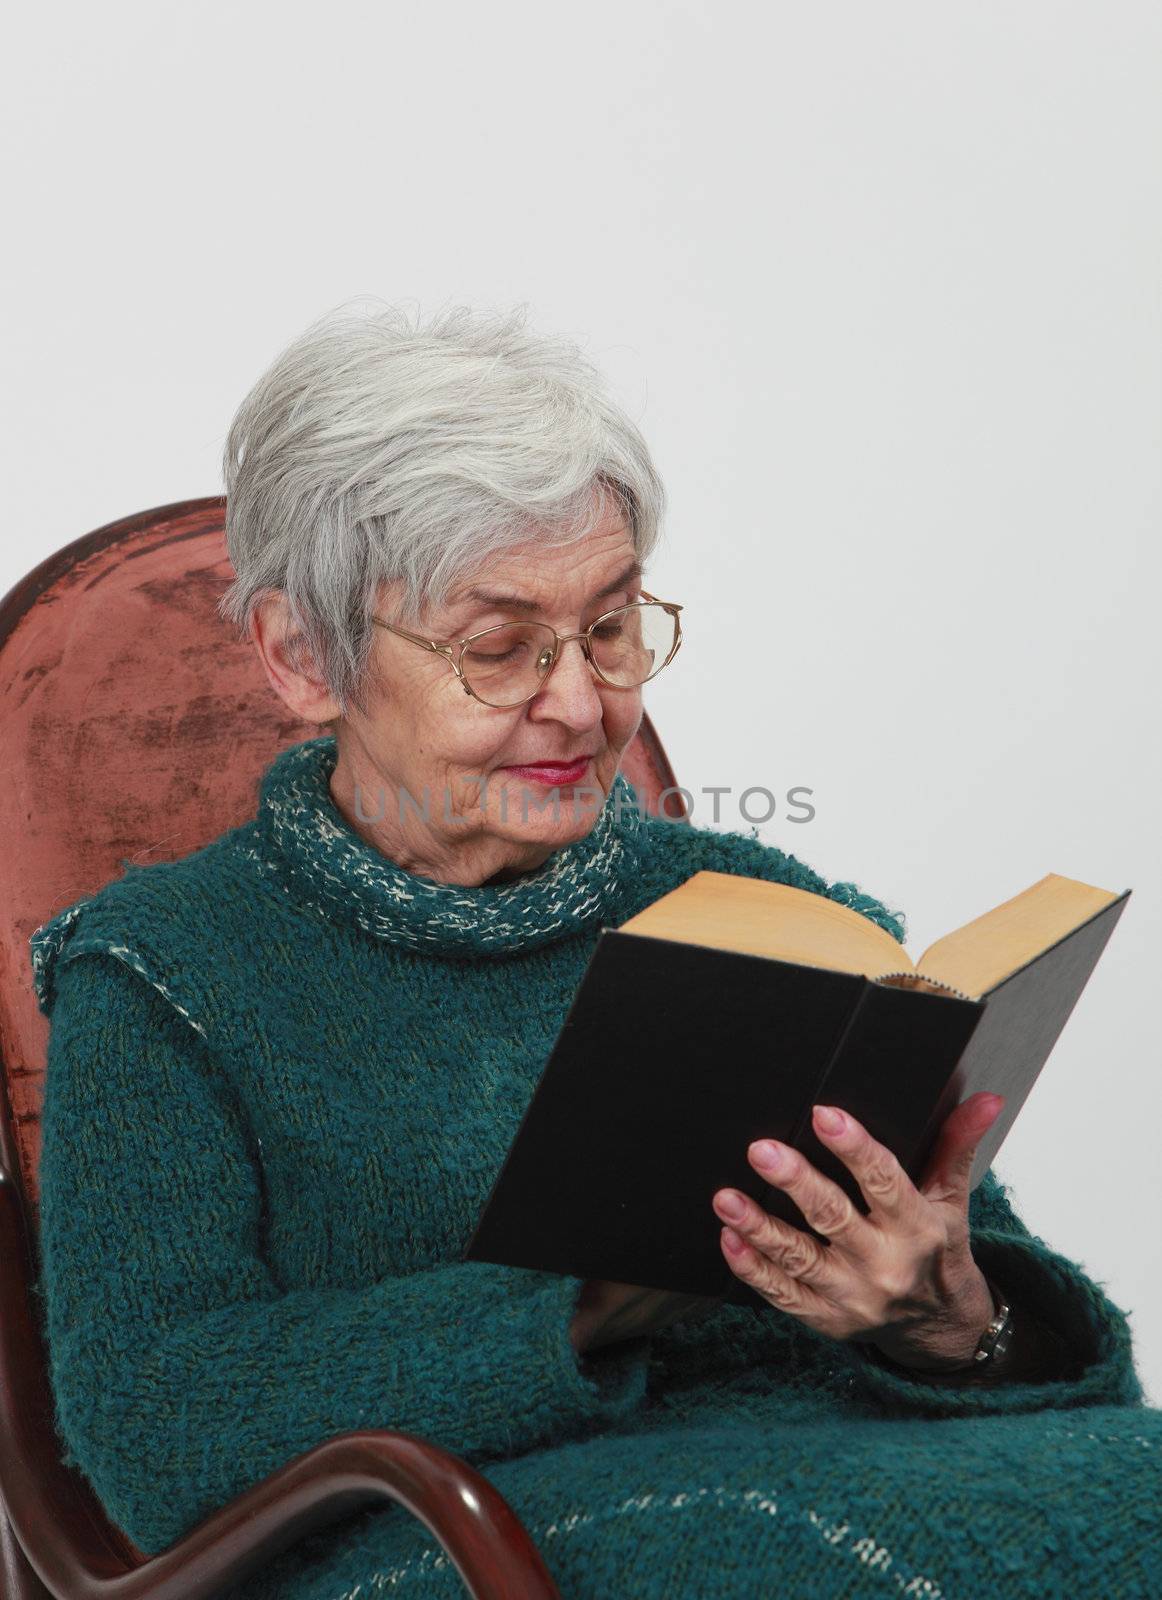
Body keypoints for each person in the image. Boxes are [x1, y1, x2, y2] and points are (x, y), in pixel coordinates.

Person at [32, 303, 1159, 1599]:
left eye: (612, 627)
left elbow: (1069, 1398)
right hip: (454, 1537)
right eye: (497, 649)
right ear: (302, 658)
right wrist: (584, 1303)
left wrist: (957, 1323)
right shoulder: (163, 969)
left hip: (833, 1476)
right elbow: (154, 1434)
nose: (578, 703)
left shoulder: (750, 906)